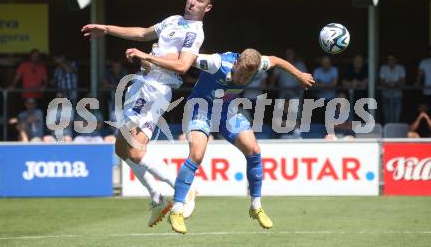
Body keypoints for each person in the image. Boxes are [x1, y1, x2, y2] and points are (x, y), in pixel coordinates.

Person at [127, 48, 314, 233]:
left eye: (246, 78)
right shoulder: (216, 63)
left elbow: (275, 59)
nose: (242, 80)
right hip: (200, 109)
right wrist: (147, 57)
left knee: (254, 150)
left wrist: (299, 75)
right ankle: (177, 209)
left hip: (226, 111)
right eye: (240, 74)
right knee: (196, 155)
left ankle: (256, 206)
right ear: (237, 63)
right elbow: (185, 60)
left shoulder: (258, 65)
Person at [81, 0, 214, 227]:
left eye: (200, 0)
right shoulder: (174, 20)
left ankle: (182, 188)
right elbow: (143, 33)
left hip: (155, 90)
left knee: (134, 151)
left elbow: (183, 66)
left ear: (208, 7)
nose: (193, 1)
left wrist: (146, 56)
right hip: (143, 85)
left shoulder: (195, 32)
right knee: (121, 148)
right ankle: (156, 197)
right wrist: (107, 28)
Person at [379, 54, 405, 123]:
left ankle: (395, 132)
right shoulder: (383, 68)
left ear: (396, 60)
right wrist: (392, 85)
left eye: (392, 59)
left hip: (397, 95)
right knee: (387, 117)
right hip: (386, 95)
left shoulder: (400, 68)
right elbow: (382, 81)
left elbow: (402, 81)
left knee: (396, 117)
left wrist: (392, 84)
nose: (390, 61)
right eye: (389, 59)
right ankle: (388, 132)